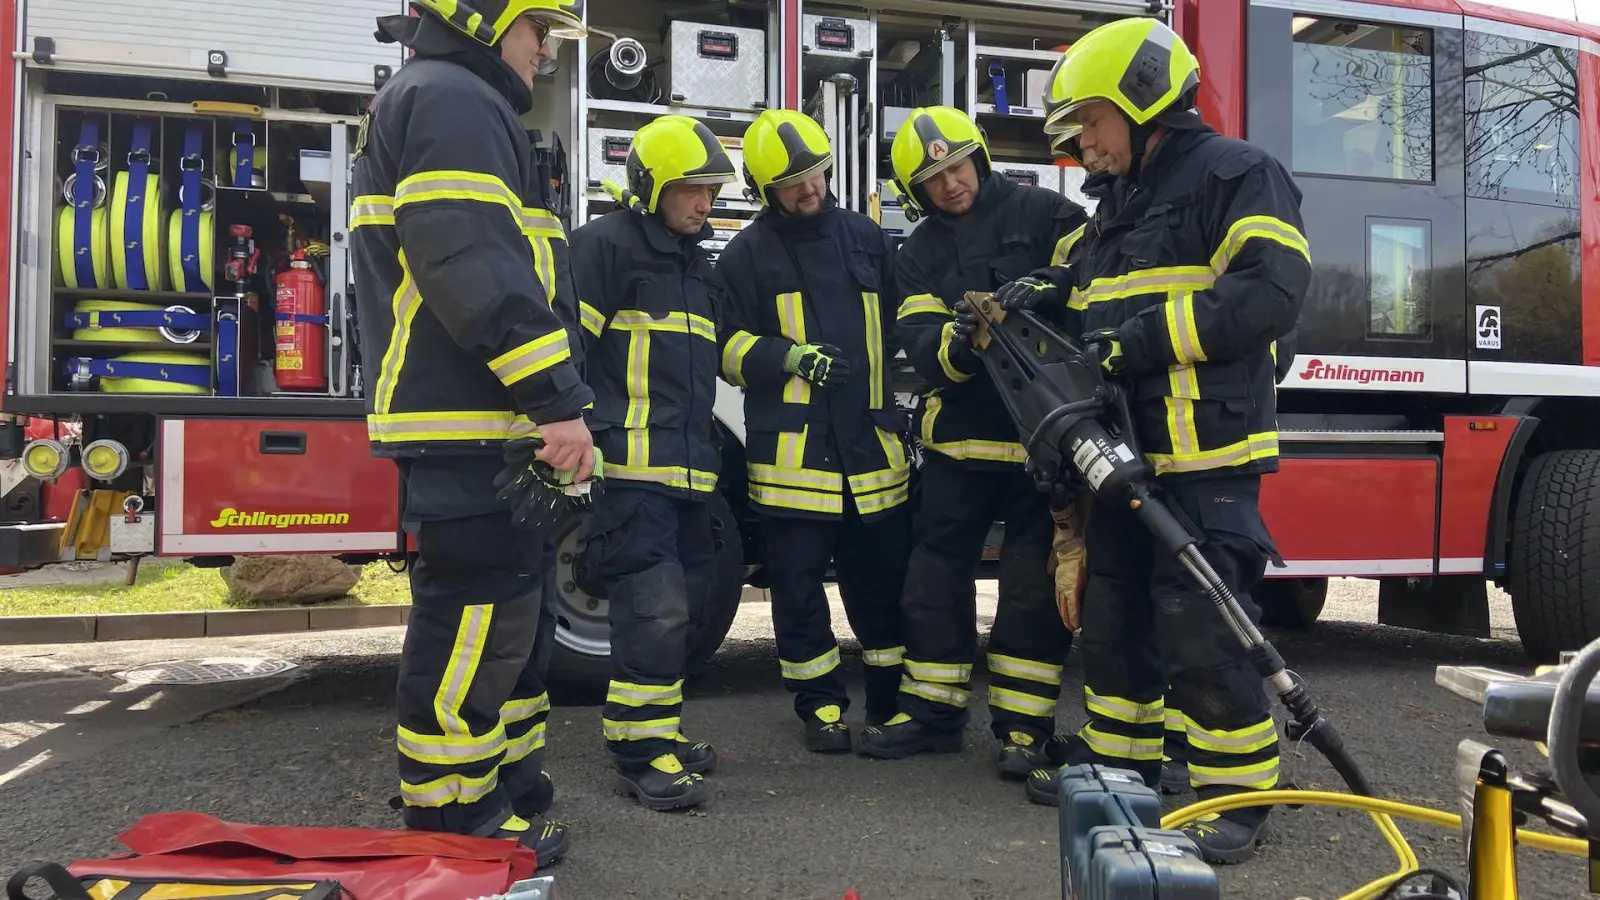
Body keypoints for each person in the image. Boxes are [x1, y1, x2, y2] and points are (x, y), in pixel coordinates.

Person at [1002, 17, 1310, 864]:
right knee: (1115, 621)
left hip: (1205, 460)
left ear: (1142, 101)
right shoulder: (1111, 214)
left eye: (1092, 121)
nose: (1083, 143)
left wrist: (1135, 341)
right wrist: (1046, 292)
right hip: (1124, 464)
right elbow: (1089, 291)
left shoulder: (1237, 175)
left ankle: (1237, 798)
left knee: (1204, 629)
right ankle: (1121, 771)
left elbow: (1269, 295)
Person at [350, 0, 597, 866]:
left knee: (506, 619)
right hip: (470, 422)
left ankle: (505, 787)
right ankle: (456, 824)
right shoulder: (455, 99)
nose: (545, 55)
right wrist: (555, 399)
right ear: (486, 22)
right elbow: (471, 263)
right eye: (538, 32)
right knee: (473, 623)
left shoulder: (446, 96)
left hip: (480, 421)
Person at [856, 106, 1088, 781]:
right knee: (932, 582)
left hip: (1040, 446)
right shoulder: (919, 252)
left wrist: (1053, 287)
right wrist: (963, 339)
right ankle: (932, 716)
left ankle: (1024, 731)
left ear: (978, 158)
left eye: (956, 165)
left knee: (1029, 588)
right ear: (916, 192)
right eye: (932, 178)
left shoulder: (1047, 214)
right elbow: (924, 348)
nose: (950, 183)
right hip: (960, 445)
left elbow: (1091, 284)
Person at [715, 109, 910, 752]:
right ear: (763, 190)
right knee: (798, 590)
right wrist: (784, 357)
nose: (809, 188)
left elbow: (908, 318)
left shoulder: (866, 237)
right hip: (794, 459)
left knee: (880, 583)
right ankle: (820, 707)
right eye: (791, 182)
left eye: (815, 172)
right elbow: (721, 346)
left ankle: (888, 703)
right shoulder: (744, 256)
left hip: (871, 451)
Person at [567, 114, 737, 811]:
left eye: (710, 189)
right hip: (632, 475)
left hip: (689, 477)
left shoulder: (693, 264)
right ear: (651, 188)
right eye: (691, 188)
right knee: (653, 611)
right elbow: (567, 351)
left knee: (683, 612)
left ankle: (659, 730)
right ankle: (640, 754)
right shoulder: (605, 248)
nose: (705, 202)